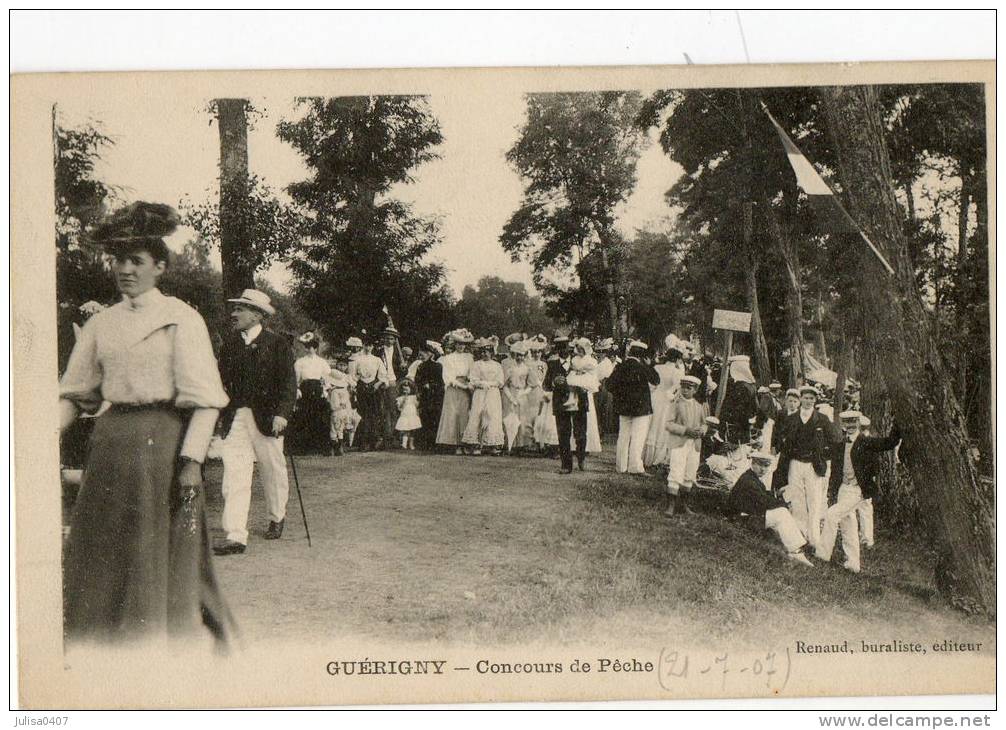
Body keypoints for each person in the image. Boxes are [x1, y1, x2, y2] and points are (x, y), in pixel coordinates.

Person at [58, 201, 235, 646]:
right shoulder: (101, 323)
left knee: (153, 549)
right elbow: (80, 394)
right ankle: (96, 642)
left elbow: (206, 401)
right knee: (99, 545)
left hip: (162, 444)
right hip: (110, 442)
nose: (125, 270)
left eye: (136, 261)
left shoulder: (180, 318)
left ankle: (157, 642)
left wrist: (192, 461)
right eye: (119, 260)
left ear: (160, 266)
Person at [214, 288, 298, 556]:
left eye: (240, 309)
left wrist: (282, 414)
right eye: (234, 308)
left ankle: (276, 515)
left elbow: (288, 383)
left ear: (258, 315)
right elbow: (221, 379)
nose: (234, 313)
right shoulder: (229, 343)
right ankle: (235, 535)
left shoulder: (277, 344)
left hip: (267, 418)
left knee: (272, 470)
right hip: (236, 416)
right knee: (235, 473)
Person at [816, 411, 902, 573]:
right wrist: (831, 492)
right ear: (843, 425)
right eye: (847, 422)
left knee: (831, 515)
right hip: (843, 488)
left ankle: (822, 555)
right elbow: (835, 471)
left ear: (858, 423)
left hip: (858, 490)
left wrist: (899, 422)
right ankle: (853, 564)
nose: (850, 426)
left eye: (853, 422)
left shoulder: (866, 442)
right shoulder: (840, 445)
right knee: (848, 524)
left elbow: (889, 442)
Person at [774, 384, 840, 551]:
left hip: (813, 465)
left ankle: (814, 538)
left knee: (815, 500)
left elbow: (834, 440)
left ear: (815, 400)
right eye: (805, 398)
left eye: (812, 398)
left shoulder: (822, 419)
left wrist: (823, 455)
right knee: (797, 500)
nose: (808, 401)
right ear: (800, 399)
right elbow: (783, 440)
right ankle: (799, 535)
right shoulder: (791, 418)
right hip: (795, 463)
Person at [728, 452, 814, 566]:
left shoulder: (752, 477)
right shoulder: (749, 480)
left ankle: (796, 548)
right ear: (752, 463)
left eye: (766, 466)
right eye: (760, 465)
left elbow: (763, 497)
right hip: (740, 518)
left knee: (782, 514)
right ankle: (795, 551)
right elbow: (764, 502)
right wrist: (784, 504)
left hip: (748, 515)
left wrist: (777, 495)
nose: (763, 469)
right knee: (782, 514)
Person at [607, 340, 661, 474]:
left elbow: (609, 385)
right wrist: (650, 365)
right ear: (642, 355)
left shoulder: (620, 366)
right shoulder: (643, 367)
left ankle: (621, 466)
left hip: (624, 407)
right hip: (641, 408)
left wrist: (620, 396)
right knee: (638, 437)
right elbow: (656, 380)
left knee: (623, 436)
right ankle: (635, 467)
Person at [663, 375, 708, 516]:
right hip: (679, 443)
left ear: (695, 390)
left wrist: (702, 430)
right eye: (683, 387)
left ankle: (684, 504)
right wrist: (686, 430)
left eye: (689, 388)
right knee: (676, 471)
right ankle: (671, 505)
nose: (685, 390)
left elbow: (704, 423)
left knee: (690, 472)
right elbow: (668, 424)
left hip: (694, 444)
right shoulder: (675, 404)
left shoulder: (699, 406)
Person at [544, 335, 588, 473]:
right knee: (563, 434)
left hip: (579, 401)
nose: (564, 350)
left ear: (569, 348)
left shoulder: (579, 362)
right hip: (561, 404)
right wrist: (553, 382)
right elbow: (545, 385)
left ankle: (581, 458)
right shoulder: (552, 365)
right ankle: (566, 465)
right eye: (560, 348)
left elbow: (590, 378)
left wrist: (584, 385)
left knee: (580, 433)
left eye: (566, 347)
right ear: (557, 350)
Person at [644, 337, 685, 468]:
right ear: (678, 359)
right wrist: (672, 396)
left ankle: (645, 455)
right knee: (661, 425)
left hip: (654, 397)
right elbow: (676, 388)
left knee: (651, 424)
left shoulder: (657, 367)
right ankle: (656, 457)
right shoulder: (677, 372)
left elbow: (652, 383)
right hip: (666, 401)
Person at [289, 332, 332, 455]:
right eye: (307, 347)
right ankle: (303, 448)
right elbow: (296, 379)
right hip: (305, 389)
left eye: (312, 347)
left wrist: (325, 390)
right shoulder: (300, 362)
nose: (310, 349)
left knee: (320, 417)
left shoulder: (322, 362)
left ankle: (321, 447)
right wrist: (297, 389)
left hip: (318, 389)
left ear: (316, 347)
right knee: (304, 417)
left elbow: (326, 377)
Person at [462, 338, 506, 455]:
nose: (484, 354)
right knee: (477, 414)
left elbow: (500, 381)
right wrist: (481, 383)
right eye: (482, 352)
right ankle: (476, 444)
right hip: (480, 392)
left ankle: (492, 444)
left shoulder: (497, 365)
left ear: (491, 353)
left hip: (492, 393)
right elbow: (473, 378)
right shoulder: (476, 364)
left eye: (486, 352)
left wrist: (490, 384)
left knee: (492, 416)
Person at [346, 335, 388, 452]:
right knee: (363, 415)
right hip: (362, 388)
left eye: (370, 345)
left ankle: (374, 442)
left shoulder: (377, 360)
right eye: (366, 345)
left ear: (373, 347)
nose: (368, 347)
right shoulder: (357, 360)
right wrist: (356, 386)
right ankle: (363, 442)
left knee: (374, 414)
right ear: (363, 346)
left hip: (373, 389)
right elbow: (353, 376)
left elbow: (383, 376)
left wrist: (377, 384)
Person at [436, 329, 474, 454]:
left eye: (463, 344)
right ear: (454, 344)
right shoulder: (449, 358)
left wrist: (469, 383)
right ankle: (454, 443)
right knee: (453, 414)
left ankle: (464, 443)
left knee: (464, 414)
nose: (461, 346)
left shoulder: (469, 357)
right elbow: (448, 377)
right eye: (458, 344)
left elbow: (472, 373)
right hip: (454, 388)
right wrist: (462, 386)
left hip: (466, 387)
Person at [502, 340, 538, 454]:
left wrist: (523, 392)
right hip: (511, 393)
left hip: (522, 394)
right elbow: (504, 385)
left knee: (522, 419)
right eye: (518, 355)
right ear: (514, 355)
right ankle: (509, 444)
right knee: (509, 418)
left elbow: (532, 384)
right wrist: (510, 396)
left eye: (522, 355)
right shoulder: (510, 368)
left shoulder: (527, 368)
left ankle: (521, 445)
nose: (520, 358)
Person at [568, 338, 603, 456]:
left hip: (586, 390)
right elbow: (573, 370)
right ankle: (574, 445)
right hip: (575, 390)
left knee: (588, 417)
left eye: (582, 348)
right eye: (578, 348)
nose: (580, 350)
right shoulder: (574, 359)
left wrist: (581, 372)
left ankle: (587, 446)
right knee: (575, 416)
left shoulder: (591, 361)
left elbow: (592, 375)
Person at [377, 325, 408, 449]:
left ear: (395, 340)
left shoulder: (399, 354)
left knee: (393, 410)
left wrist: (403, 367)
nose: (389, 341)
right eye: (387, 338)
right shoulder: (378, 351)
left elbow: (403, 372)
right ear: (384, 338)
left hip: (393, 382)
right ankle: (383, 438)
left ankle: (392, 438)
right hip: (381, 382)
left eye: (392, 339)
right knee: (381, 410)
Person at [719, 354, 758, 444]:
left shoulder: (740, 386)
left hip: (735, 427)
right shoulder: (751, 385)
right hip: (745, 426)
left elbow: (736, 409)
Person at [414, 340, 444, 451]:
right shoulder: (420, 366)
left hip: (435, 395)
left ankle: (434, 442)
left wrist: (431, 385)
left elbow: (440, 381)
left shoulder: (438, 366)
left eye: (426, 353)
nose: (423, 355)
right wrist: (423, 384)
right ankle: (425, 442)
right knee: (425, 416)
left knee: (435, 416)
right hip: (425, 395)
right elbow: (417, 379)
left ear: (431, 354)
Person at [325, 358, 358, 455]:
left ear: (347, 366)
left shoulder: (346, 377)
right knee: (334, 424)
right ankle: (333, 447)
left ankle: (339, 446)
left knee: (341, 425)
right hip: (335, 405)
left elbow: (353, 385)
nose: (342, 367)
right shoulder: (333, 377)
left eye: (344, 365)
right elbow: (327, 387)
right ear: (337, 365)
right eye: (340, 365)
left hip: (345, 402)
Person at [395, 379, 422, 450]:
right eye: (404, 390)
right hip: (405, 416)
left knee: (413, 430)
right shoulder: (400, 398)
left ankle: (411, 444)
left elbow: (417, 405)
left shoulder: (413, 397)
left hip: (412, 415)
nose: (405, 391)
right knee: (406, 430)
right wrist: (403, 400)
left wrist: (417, 400)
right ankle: (404, 444)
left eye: (407, 389)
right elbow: (399, 408)